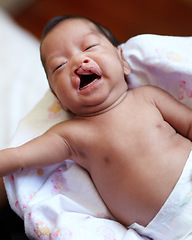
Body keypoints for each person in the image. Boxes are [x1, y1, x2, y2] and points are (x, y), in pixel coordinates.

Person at [1, 15, 192, 237]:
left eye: (89, 46)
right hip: (166, 231)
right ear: (58, 98)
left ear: (123, 61)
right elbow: (19, 157)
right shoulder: (71, 136)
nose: (77, 61)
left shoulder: (148, 97)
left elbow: (188, 124)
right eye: (59, 65)